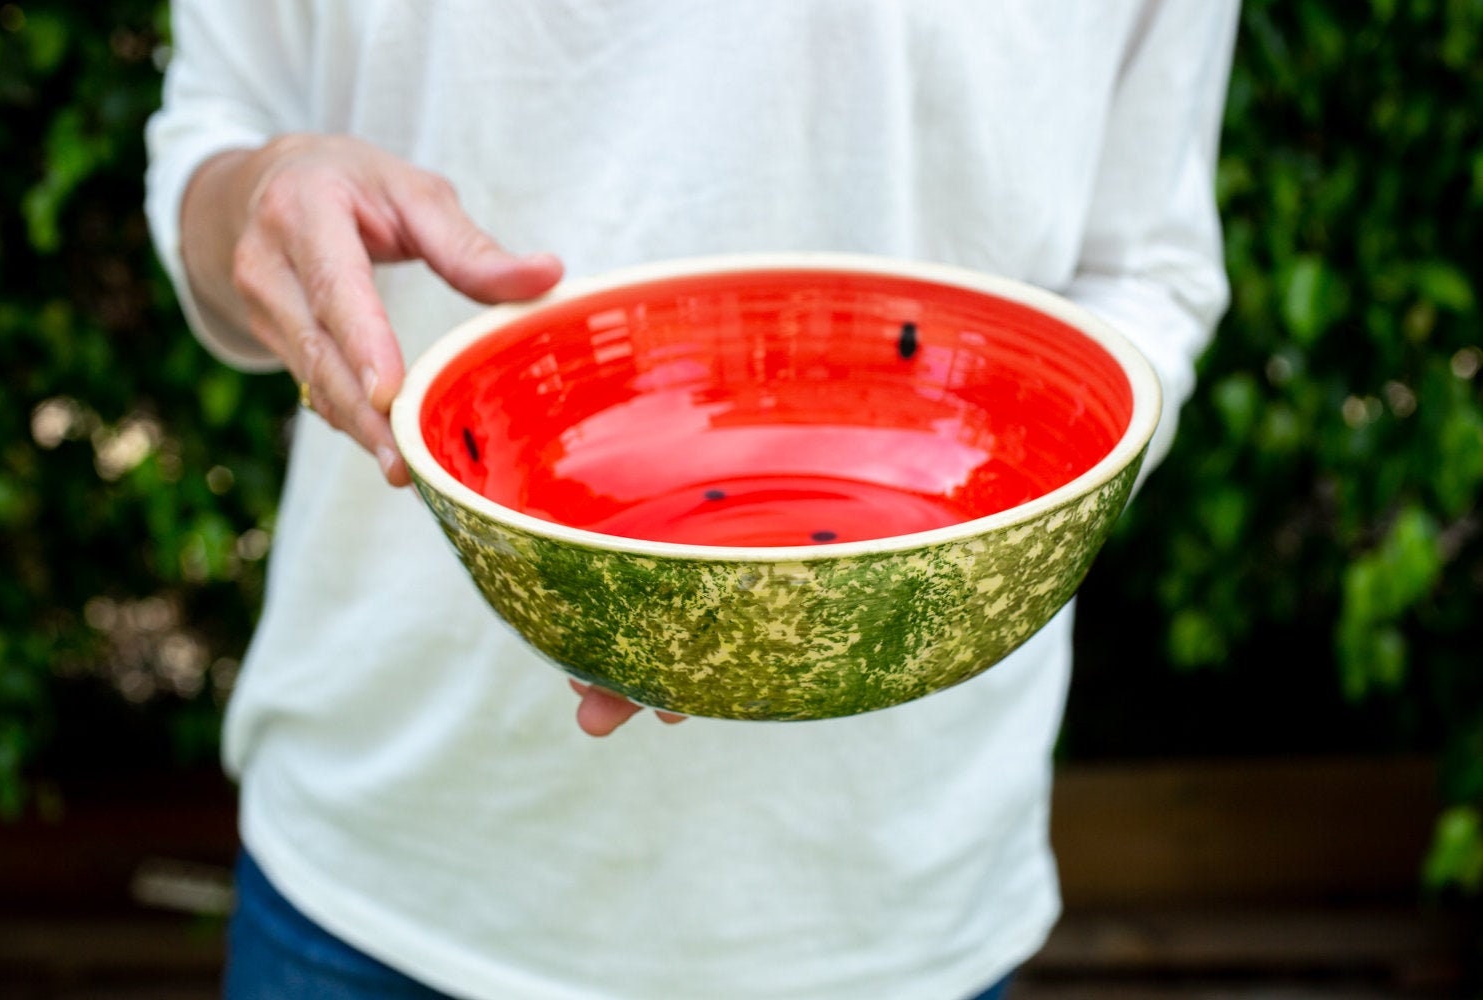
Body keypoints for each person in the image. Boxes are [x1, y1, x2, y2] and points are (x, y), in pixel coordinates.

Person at [146, 3, 1239, 997]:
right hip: (389, 870)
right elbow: (218, 128)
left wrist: (987, 550)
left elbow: (1149, 269)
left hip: (894, 908)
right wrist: (257, 196)